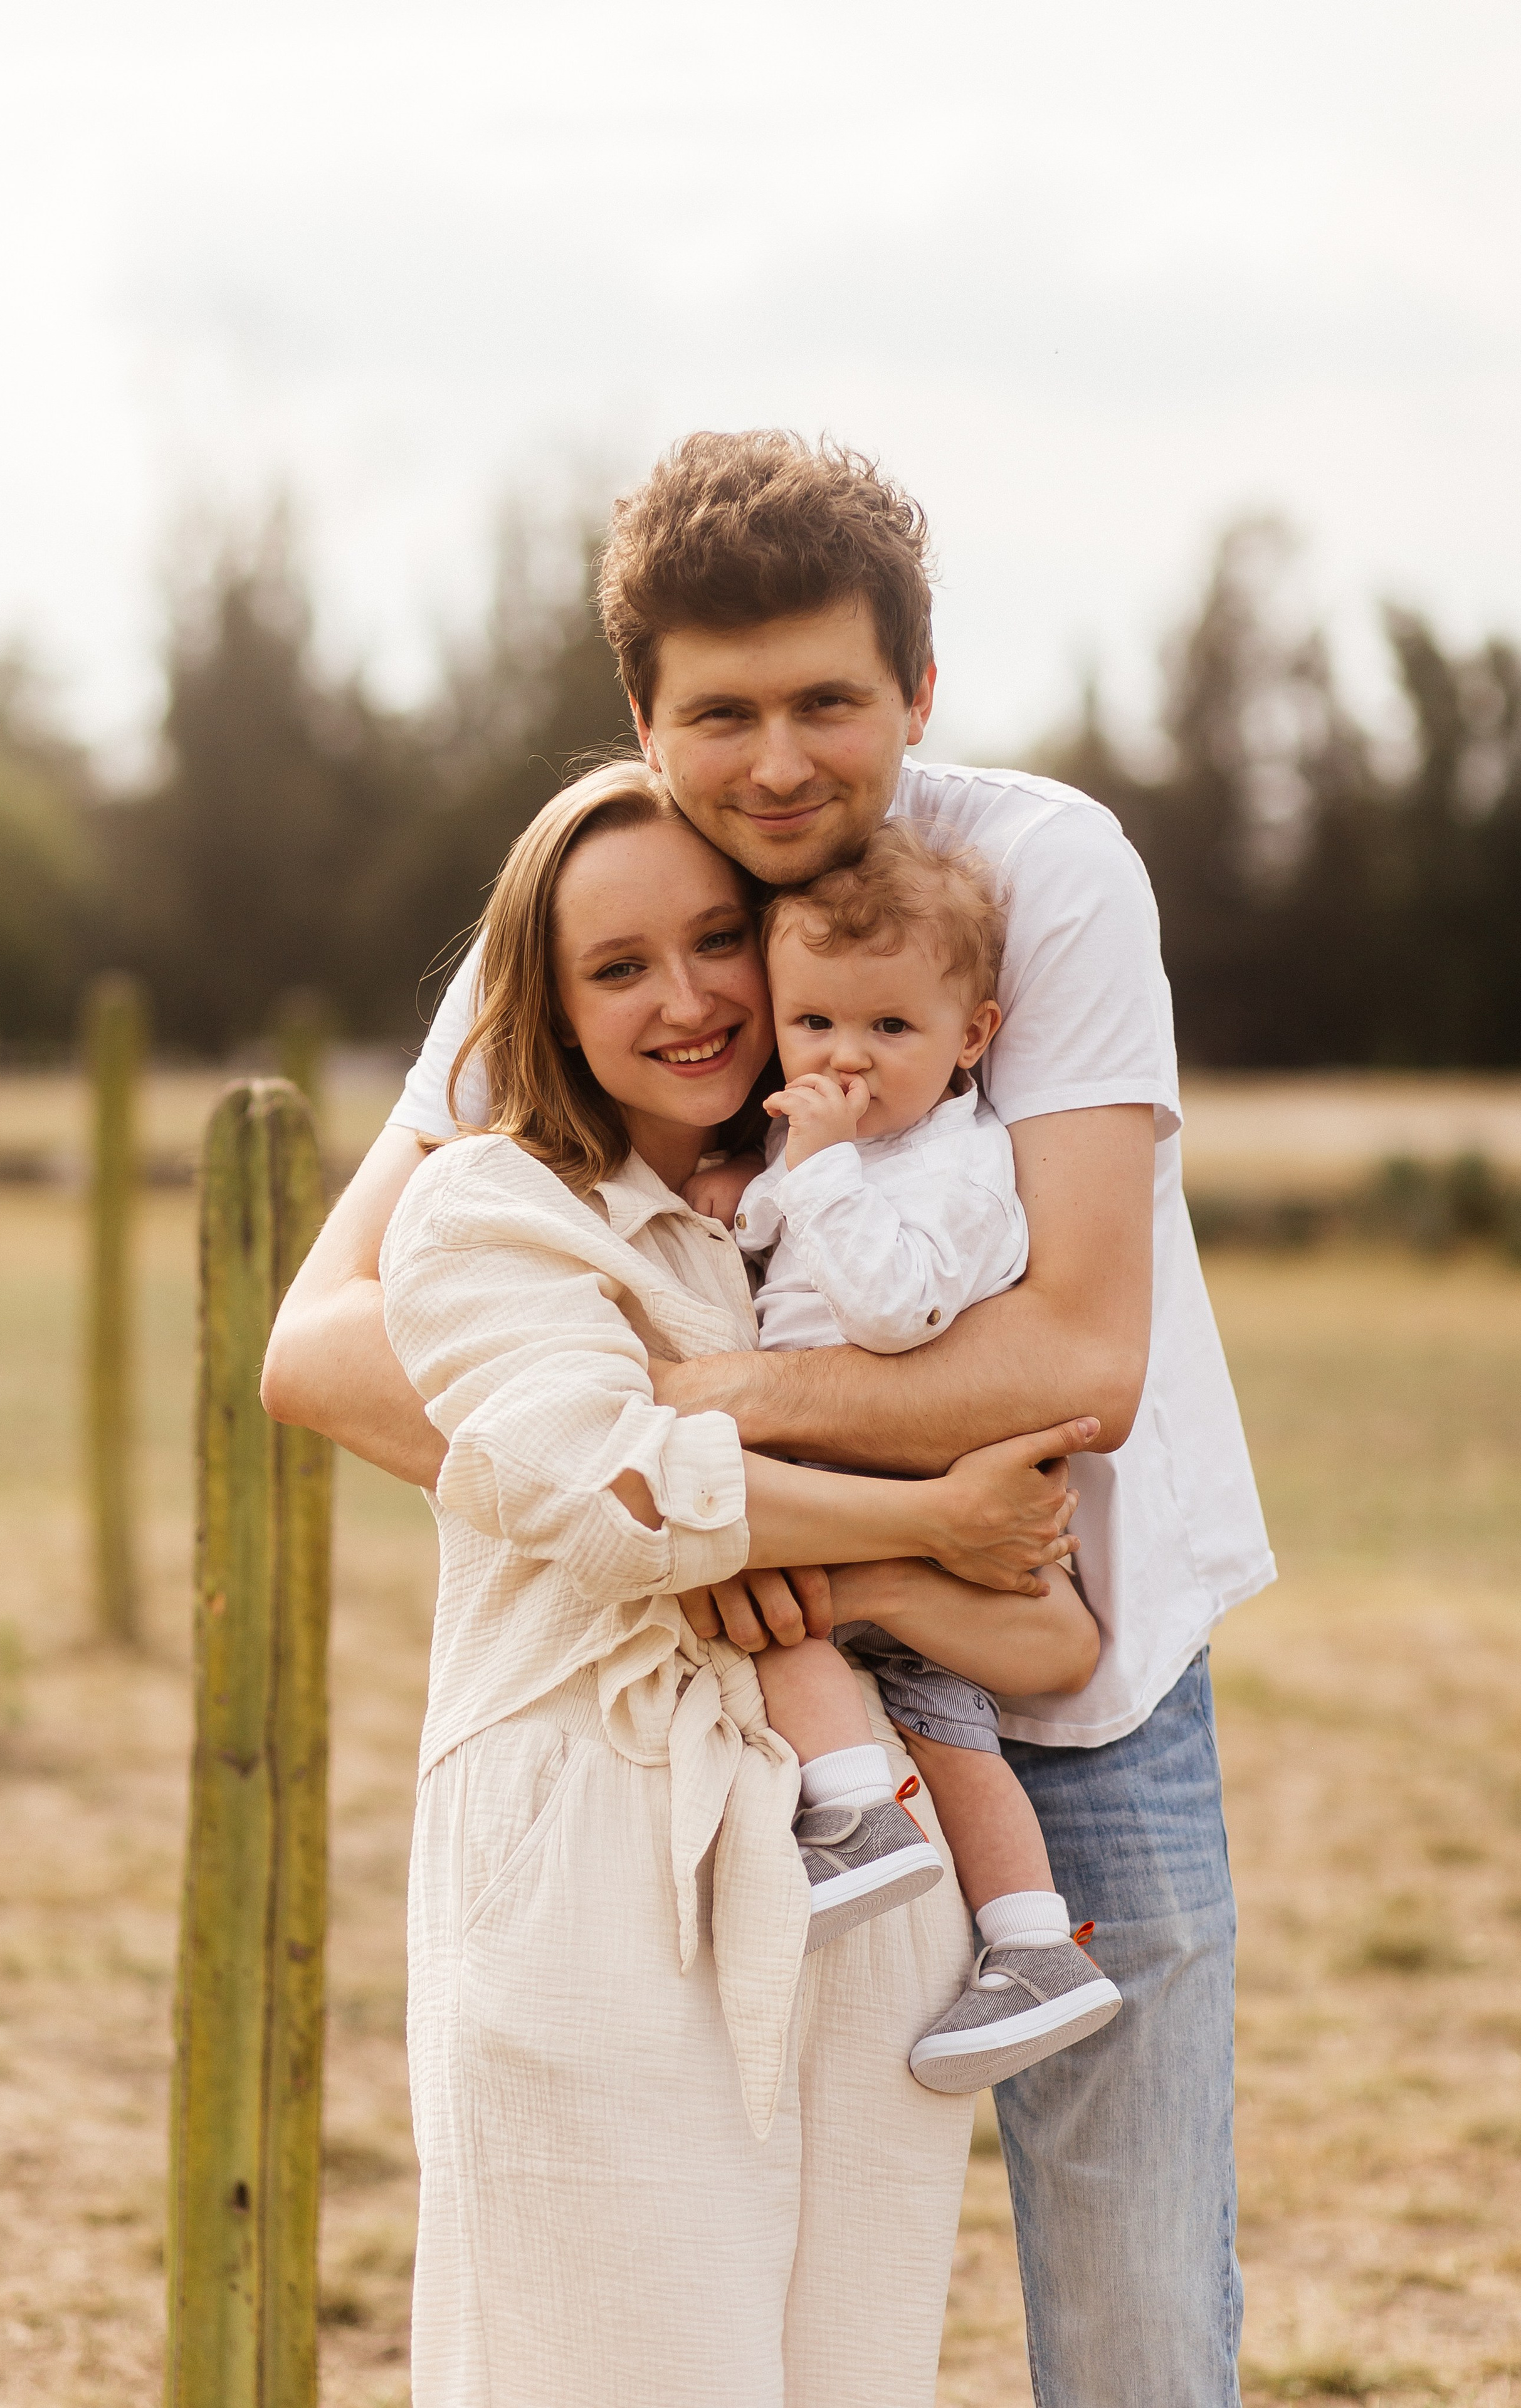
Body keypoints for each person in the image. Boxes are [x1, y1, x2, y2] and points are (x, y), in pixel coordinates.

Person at [264, 430, 1275, 2407]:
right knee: (777, 2307)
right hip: (778, 1706)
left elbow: (1080, 1362)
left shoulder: (1030, 873)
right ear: (642, 716)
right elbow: (321, 1340)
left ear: (919, 685)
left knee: (1143, 2310)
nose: (783, 760)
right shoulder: (608, 916)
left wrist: (680, 1420)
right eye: (721, 712)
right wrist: (694, 1491)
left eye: (831, 697)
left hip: (1077, 1652)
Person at [377, 762, 1098, 2405]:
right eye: (619, 967)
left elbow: (1039, 1616)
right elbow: (598, 1488)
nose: (692, 998)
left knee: (846, 2376)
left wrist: (891, 1550)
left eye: (717, 941)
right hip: (594, 1850)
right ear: (547, 1004)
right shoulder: (487, 1210)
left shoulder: (813, 1227)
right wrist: (901, 1536)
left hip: (868, 1880)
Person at [700, 819, 1122, 2091]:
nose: (844, 1059)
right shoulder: (832, 1148)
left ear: (969, 1038)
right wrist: (755, 1194)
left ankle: (848, 1820)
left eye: (888, 1030)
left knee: (787, 1625)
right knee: (945, 1724)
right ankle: (1033, 1945)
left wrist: (814, 1168)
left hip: (904, 1468)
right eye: (814, 1024)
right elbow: (777, 1244)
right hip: (875, 1470)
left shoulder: (959, 1166)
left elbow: (894, 1316)